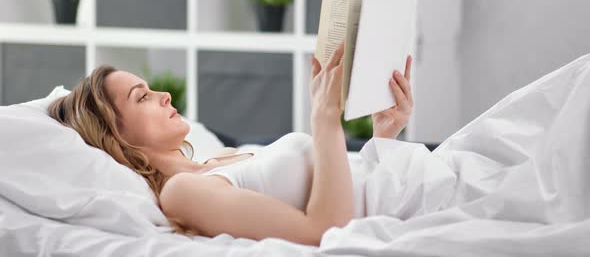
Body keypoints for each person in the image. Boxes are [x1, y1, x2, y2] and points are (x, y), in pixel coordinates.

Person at [47, 41, 414, 246]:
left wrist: (383, 136)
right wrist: (324, 118)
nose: (163, 95)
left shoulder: (221, 159)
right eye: (141, 97)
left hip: (405, 187)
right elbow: (325, 233)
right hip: (409, 210)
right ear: (116, 136)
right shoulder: (182, 192)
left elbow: (347, 186)